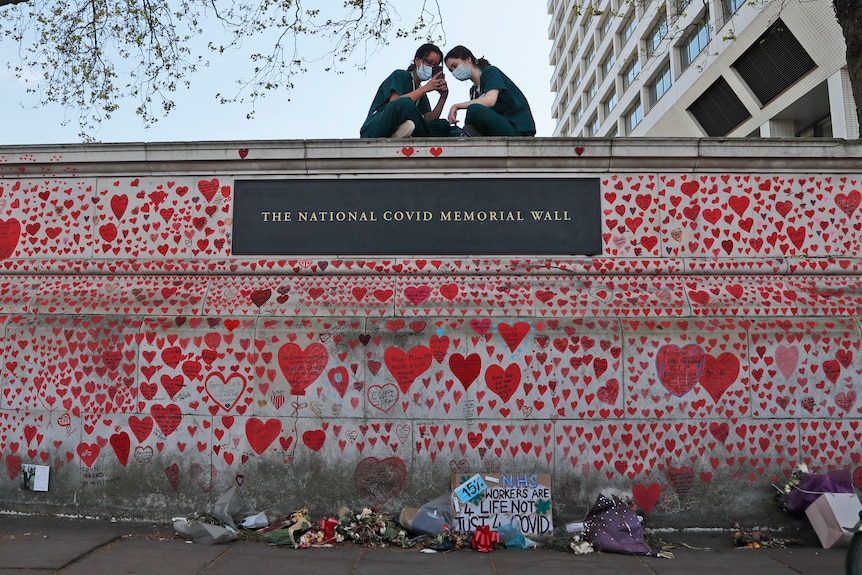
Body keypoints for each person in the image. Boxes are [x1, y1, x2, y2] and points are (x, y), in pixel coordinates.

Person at [360, 43, 452, 138]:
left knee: (443, 125)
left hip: (406, 125)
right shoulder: (400, 75)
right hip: (375, 127)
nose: (431, 67)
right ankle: (411, 132)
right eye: (429, 62)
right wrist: (425, 89)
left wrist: (443, 97)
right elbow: (396, 102)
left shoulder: (420, 92)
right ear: (417, 61)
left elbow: (429, 119)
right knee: (404, 103)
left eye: (435, 66)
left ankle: (402, 132)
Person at [444, 45, 536, 137]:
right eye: (451, 70)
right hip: (496, 130)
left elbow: (490, 101)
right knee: (453, 132)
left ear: (468, 59)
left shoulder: (490, 72)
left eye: (455, 66)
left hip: (516, 128)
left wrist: (457, 106)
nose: (454, 72)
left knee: (474, 109)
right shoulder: (473, 91)